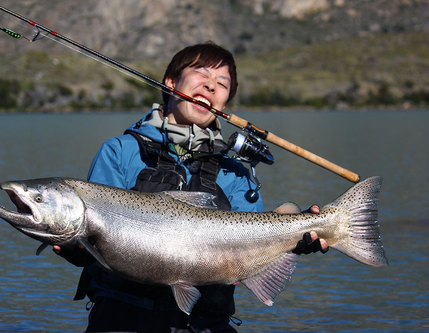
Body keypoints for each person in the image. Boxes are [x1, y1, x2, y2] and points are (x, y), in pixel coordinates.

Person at [54, 41, 328, 333]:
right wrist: (75, 249)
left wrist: (295, 240)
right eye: (202, 73)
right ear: (171, 83)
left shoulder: (236, 173)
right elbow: (93, 232)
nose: (211, 86)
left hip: (206, 324)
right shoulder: (120, 152)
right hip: (120, 319)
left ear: (224, 104)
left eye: (222, 84)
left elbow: (255, 249)